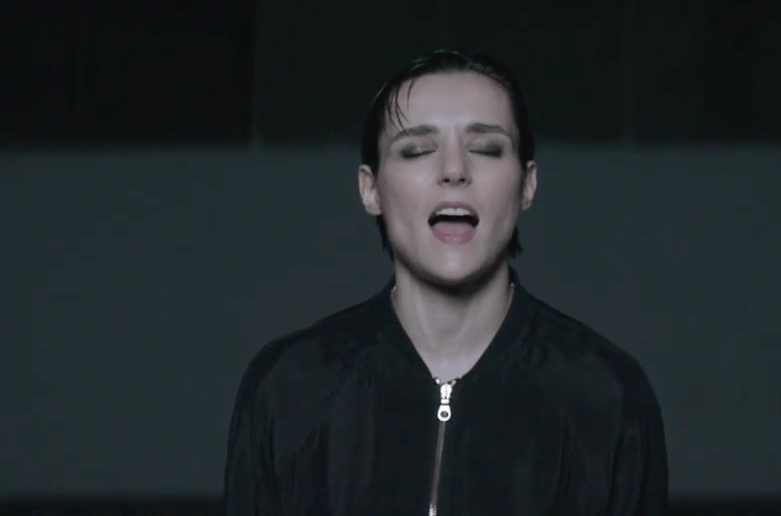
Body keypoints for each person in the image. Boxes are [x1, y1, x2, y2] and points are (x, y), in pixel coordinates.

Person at [223, 49, 668, 515]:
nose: (454, 171)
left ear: (527, 184)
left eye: (486, 148)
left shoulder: (606, 396)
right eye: (417, 150)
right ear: (370, 188)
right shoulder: (289, 387)